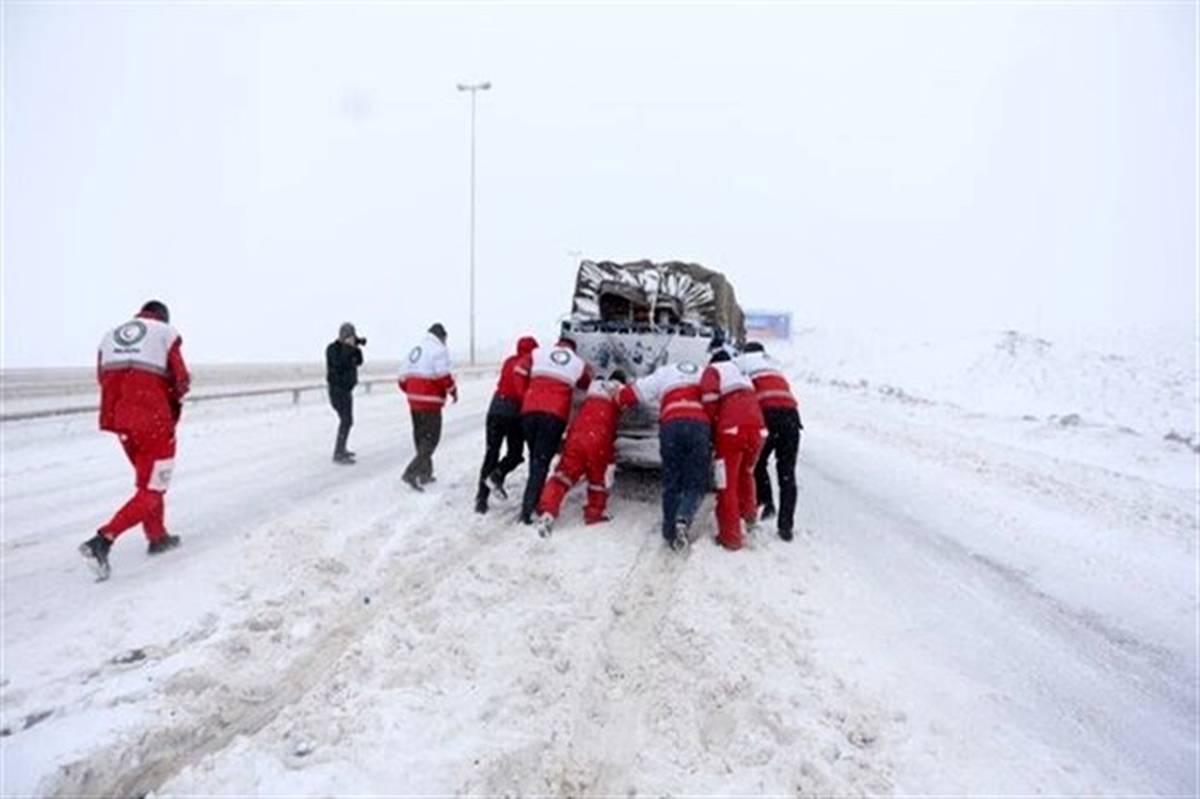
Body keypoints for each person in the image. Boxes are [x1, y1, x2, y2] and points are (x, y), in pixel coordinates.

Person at [79, 300, 190, 581]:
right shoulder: (165, 333)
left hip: (121, 423)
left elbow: (101, 377)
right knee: (153, 488)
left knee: (147, 483)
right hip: (153, 422)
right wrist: (166, 403)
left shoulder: (110, 335)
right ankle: (102, 540)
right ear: (163, 317)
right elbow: (182, 380)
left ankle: (157, 537)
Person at [616, 360, 711, 551]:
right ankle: (683, 518)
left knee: (671, 480)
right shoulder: (705, 373)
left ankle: (669, 532)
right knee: (695, 481)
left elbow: (629, 395)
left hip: (672, 425)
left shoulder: (664, 373)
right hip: (699, 427)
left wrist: (615, 393)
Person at [535, 371, 627, 537]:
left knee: (563, 475)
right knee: (598, 478)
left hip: (577, 434)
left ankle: (547, 510)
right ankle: (594, 514)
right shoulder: (620, 391)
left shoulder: (593, 387)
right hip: (599, 438)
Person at [518, 333, 591, 524]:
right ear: (573, 349)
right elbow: (586, 382)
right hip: (553, 415)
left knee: (535, 460)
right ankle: (528, 510)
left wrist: (524, 395)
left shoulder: (538, 353)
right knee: (541, 463)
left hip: (529, 412)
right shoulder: (577, 362)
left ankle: (531, 499)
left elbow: (519, 370)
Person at [700, 347, 766, 551]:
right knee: (746, 473)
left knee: (726, 483)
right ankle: (749, 516)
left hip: (731, 431)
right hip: (758, 430)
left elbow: (709, 403)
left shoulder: (713, 370)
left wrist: (712, 427)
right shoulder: (743, 374)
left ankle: (731, 537)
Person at [737, 341, 803, 541]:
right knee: (787, 472)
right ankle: (786, 527)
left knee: (756, 463)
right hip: (791, 417)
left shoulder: (742, 363)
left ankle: (766, 502)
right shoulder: (774, 365)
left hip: (768, 415)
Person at [475, 335, 538, 513]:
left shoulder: (509, 361)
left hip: (495, 408)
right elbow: (522, 389)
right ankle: (497, 475)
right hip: (514, 411)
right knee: (515, 454)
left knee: (491, 453)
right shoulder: (530, 363)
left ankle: (481, 499)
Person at [397, 323, 457, 491]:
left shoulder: (416, 349)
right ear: (441, 336)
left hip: (414, 400)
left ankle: (425, 473)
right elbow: (443, 375)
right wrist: (453, 391)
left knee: (421, 436)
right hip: (429, 401)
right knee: (431, 439)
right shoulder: (438, 350)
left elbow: (401, 377)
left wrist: (411, 392)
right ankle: (411, 472)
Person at [326, 322, 365, 464]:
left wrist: (355, 347)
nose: (351, 338)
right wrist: (348, 348)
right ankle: (338, 453)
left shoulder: (351, 349)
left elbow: (360, 361)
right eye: (349, 336)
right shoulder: (332, 349)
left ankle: (341, 449)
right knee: (346, 420)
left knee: (348, 421)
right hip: (337, 391)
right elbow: (339, 364)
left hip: (347, 391)